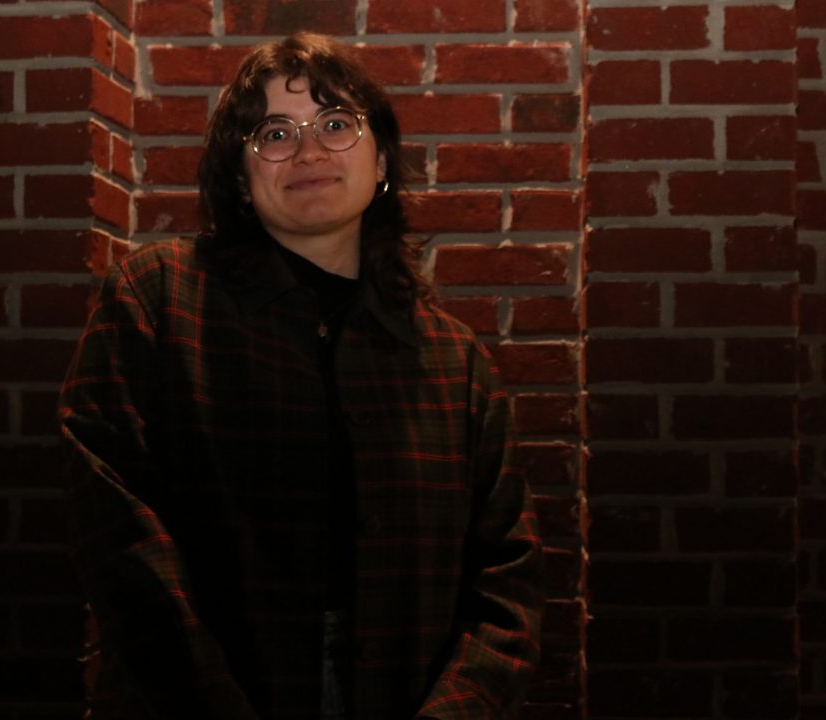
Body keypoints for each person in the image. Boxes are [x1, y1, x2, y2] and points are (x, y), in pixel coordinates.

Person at [58, 32, 543, 720]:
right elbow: (112, 526)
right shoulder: (157, 299)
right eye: (275, 133)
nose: (309, 151)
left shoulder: (455, 362)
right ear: (240, 178)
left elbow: (508, 582)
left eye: (337, 124)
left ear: (382, 163)